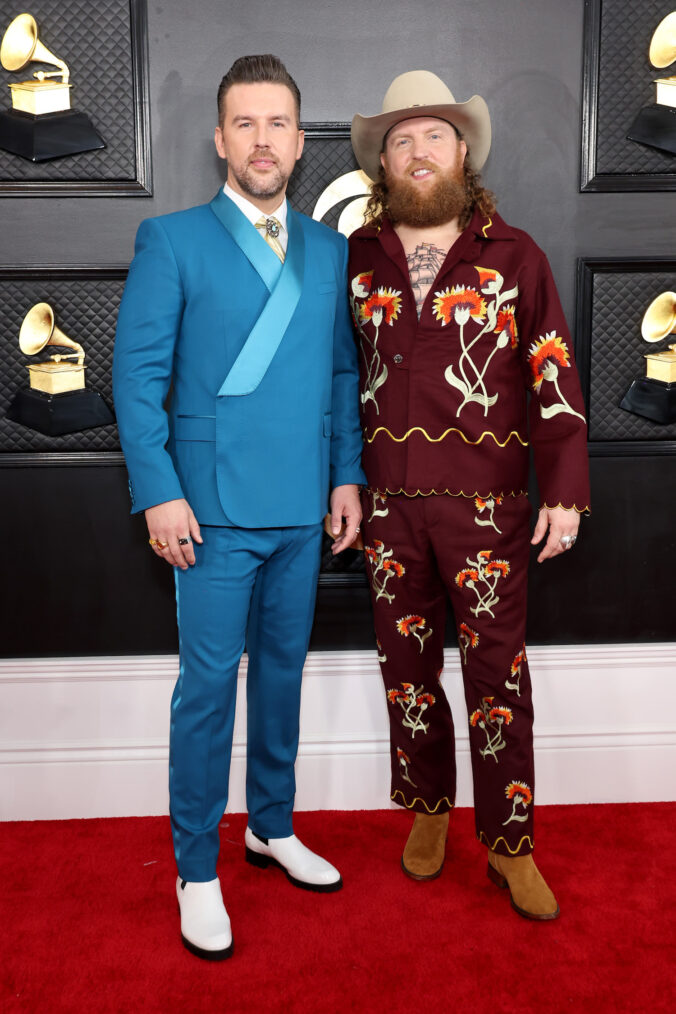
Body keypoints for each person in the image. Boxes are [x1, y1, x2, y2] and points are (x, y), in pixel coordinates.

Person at [113, 54, 364, 960]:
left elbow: (340, 373)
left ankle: (270, 825)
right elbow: (136, 382)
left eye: (279, 125)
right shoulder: (171, 240)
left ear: (301, 143)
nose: (263, 140)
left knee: (285, 678)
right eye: (245, 124)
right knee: (208, 691)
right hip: (209, 513)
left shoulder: (331, 252)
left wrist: (345, 477)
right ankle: (195, 869)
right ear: (221, 139)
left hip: (302, 504)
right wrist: (161, 494)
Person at [348, 71, 590, 920]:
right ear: (385, 161)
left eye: (435, 136)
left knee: (498, 677)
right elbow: (342, 381)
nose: (420, 152)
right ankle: (426, 810)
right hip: (387, 510)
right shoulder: (357, 257)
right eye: (402, 139)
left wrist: (564, 489)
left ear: (463, 151)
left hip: (489, 512)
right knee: (406, 671)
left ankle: (510, 840)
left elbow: (552, 372)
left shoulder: (516, 256)